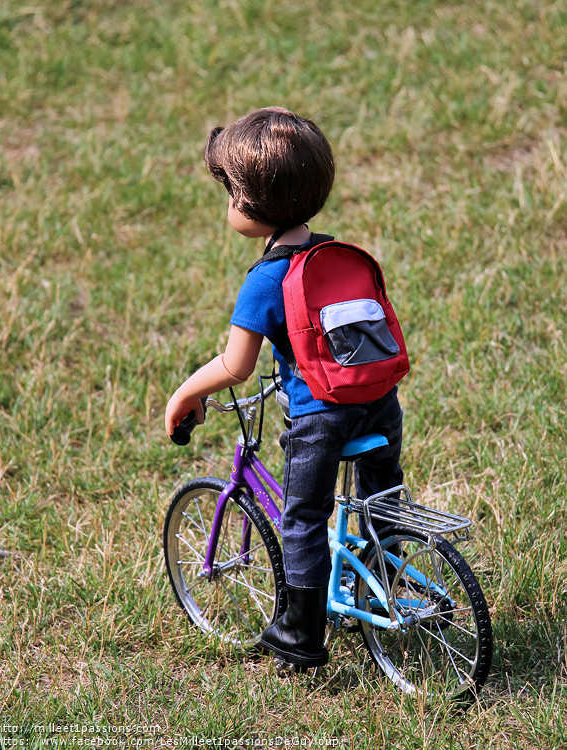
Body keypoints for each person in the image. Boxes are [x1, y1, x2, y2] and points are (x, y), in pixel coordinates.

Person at [165, 106, 404, 668]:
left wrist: (184, 395)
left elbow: (235, 366)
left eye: (229, 196)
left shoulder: (266, 279)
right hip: (379, 401)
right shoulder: (333, 254)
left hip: (323, 416)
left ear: (249, 206)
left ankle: (299, 634)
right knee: (380, 497)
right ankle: (387, 577)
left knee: (302, 518)